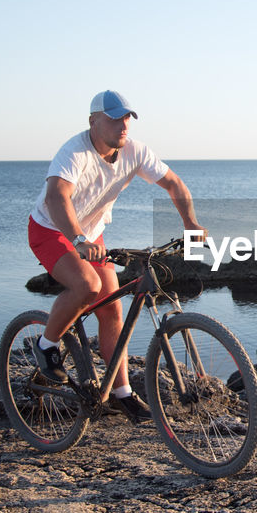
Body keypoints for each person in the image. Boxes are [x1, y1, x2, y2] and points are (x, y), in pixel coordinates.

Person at [27, 90, 204, 421]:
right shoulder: (74, 152)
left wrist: (190, 223)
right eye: (114, 118)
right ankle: (47, 345)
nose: (123, 124)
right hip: (51, 230)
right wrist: (77, 238)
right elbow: (57, 197)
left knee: (112, 311)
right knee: (87, 286)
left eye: (127, 117)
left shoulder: (135, 153)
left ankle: (122, 393)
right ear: (94, 121)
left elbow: (174, 184)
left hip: (90, 236)